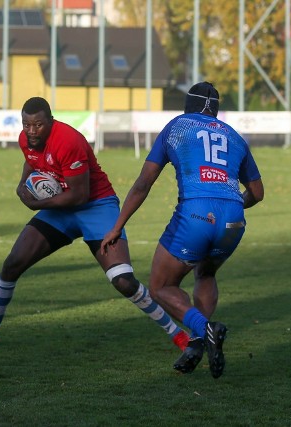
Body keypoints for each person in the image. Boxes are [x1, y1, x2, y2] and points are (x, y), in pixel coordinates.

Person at [0, 96, 190, 351]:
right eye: (26, 125)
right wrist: (21, 185)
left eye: (38, 125)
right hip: (61, 207)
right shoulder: (25, 139)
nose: (31, 131)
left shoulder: (68, 140)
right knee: (12, 263)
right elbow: (32, 159)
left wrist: (37, 205)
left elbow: (79, 195)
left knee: (123, 280)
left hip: (95, 206)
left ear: (51, 120)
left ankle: (177, 334)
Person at [101, 81, 264, 379]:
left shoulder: (177, 126)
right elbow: (257, 192)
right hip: (234, 218)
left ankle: (206, 329)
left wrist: (117, 226)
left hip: (196, 215)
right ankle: (198, 343)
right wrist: (231, 205)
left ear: (187, 105)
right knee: (207, 273)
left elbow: (143, 183)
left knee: (160, 286)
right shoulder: (235, 137)